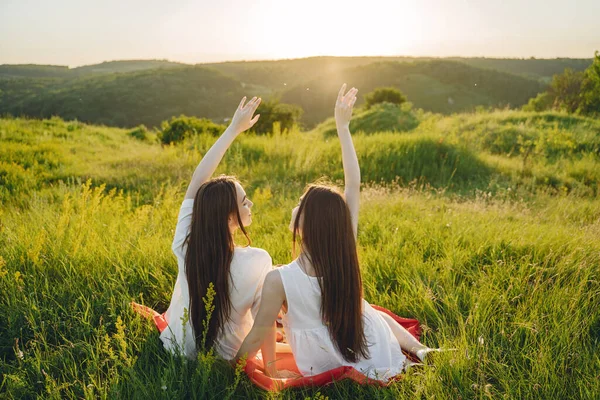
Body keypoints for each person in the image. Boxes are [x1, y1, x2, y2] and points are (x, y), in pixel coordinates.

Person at [234, 84, 436, 381]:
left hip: (321, 363)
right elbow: (353, 185)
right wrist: (343, 127)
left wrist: (225, 370)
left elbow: (257, 336)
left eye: (299, 204)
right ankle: (419, 350)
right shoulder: (344, 247)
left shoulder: (278, 280)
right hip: (374, 349)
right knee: (367, 309)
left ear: (307, 224)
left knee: (365, 308)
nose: (294, 207)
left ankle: (420, 350)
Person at [160, 96, 277, 372]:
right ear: (228, 216)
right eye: (244, 201)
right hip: (229, 356)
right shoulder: (258, 260)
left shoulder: (186, 244)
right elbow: (265, 322)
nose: (250, 205)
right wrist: (271, 369)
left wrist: (233, 129)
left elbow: (197, 181)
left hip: (177, 349)